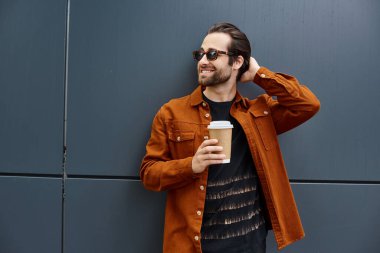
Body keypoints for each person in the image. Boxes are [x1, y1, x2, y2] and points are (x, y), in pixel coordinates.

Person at [140, 22, 320, 253]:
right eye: (200, 54)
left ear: (237, 62)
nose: (203, 61)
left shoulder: (259, 113)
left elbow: (308, 104)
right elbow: (149, 174)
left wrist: (258, 74)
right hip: (195, 245)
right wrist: (191, 165)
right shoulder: (172, 113)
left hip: (250, 244)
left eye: (213, 54)